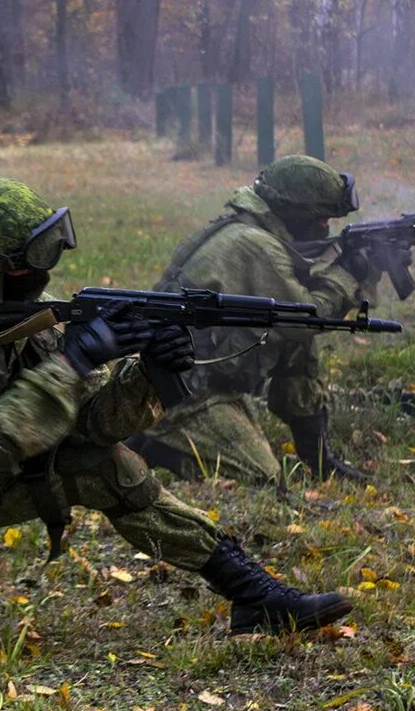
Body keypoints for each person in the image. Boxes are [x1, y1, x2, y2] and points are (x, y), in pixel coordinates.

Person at [0, 175, 354, 663]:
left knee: (104, 464)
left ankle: (252, 592)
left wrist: (144, 374)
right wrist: (73, 361)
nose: (48, 270)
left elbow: (90, 427)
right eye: (38, 256)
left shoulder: (16, 315)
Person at [127, 155, 382, 486]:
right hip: (182, 395)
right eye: (320, 219)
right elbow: (305, 316)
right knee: (263, 476)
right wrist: (347, 275)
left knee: (294, 341)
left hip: (204, 377)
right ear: (293, 213)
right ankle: (153, 444)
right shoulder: (255, 245)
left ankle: (320, 459)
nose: (325, 227)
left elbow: (293, 321)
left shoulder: (251, 230)